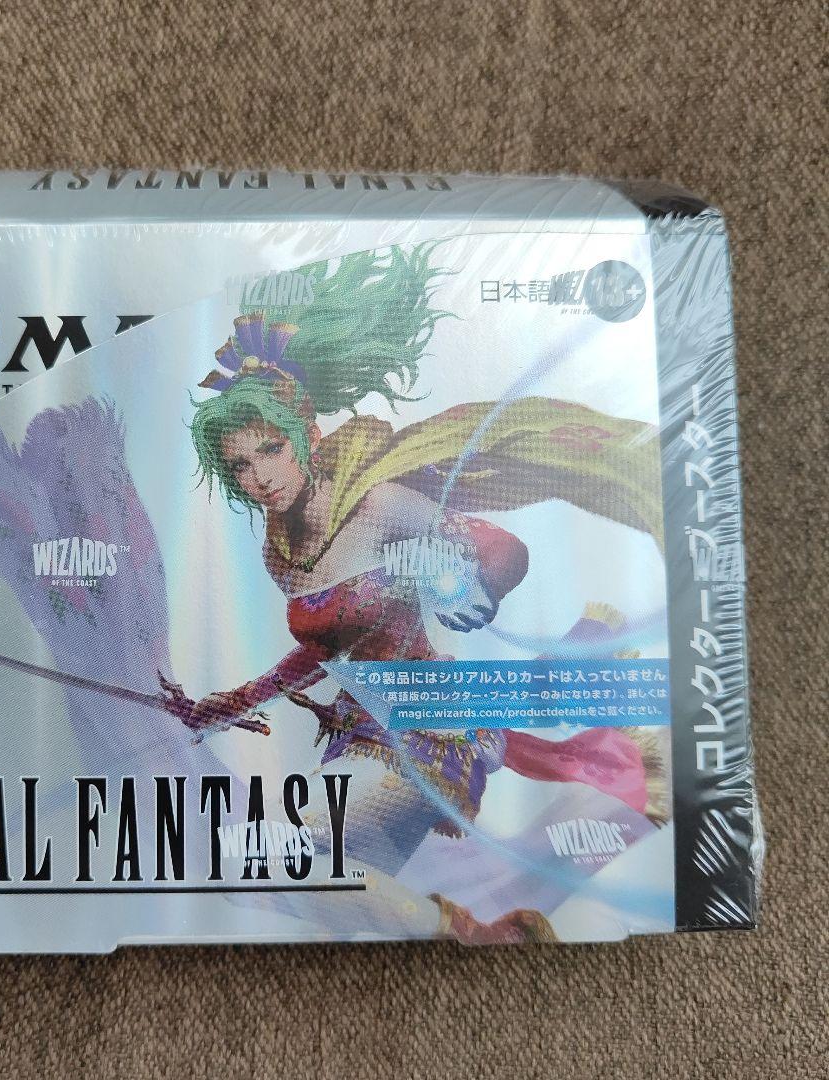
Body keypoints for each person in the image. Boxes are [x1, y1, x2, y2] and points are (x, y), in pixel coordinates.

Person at [184, 247, 668, 943]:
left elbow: (502, 550)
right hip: (358, 738)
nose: (258, 476)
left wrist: (469, 586)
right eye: (238, 465)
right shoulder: (278, 549)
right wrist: (234, 702)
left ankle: (471, 932)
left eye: (270, 450)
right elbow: (327, 650)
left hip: (426, 735)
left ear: (306, 437)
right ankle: (494, 933)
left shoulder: (379, 505)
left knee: (257, 855)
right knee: (272, 881)